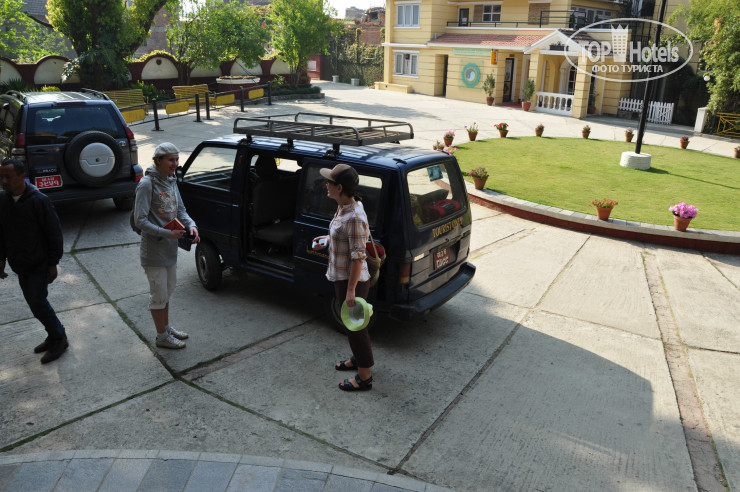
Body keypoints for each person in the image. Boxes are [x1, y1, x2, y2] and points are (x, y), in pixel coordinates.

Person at [313, 163, 374, 391]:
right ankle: (358, 360)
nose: (325, 185)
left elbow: (358, 258)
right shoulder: (344, 207)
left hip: (351, 282)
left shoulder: (354, 217)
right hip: (342, 277)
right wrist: (328, 240)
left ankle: (365, 377)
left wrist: (350, 291)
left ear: (339, 187)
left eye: (329, 182)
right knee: (351, 326)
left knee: (356, 329)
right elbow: (346, 238)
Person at [0, 158, 67, 364]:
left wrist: (53, 263)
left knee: (38, 302)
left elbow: (54, 234)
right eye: (1, 177)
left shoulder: (39, 200)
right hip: (20, 264)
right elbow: (2, 233)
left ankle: (59, 338)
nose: (3, 181)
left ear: (22, 176)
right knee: (34, 303)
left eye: (8, 177)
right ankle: (53, 335)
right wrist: (1, 259)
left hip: (39, 263)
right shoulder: (3, 200)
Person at [133, 142, 200, 349]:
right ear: (158, 160)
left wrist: (192, 225)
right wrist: (167, 233)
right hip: (154, 251)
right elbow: (139, 220)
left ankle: (166, 327)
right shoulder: (147, 184)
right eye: (171, 160)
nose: (175, 164)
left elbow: (181, 210)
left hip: (170, 249)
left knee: (168, 291)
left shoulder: (171, 180)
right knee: (159, 294)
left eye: (177, 159)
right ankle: (161, 337)